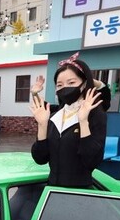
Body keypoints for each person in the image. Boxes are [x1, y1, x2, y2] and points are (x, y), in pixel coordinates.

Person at [29, 52, 109, 188]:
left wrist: (83, 121)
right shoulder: (54, 116)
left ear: (84, 84)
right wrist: (42, 125)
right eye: (59, 85)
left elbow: (92, 161)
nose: (65, 88)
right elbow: (40, 158)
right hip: (52, 191)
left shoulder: (95, 114)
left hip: (79, 193)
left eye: (71, 82)